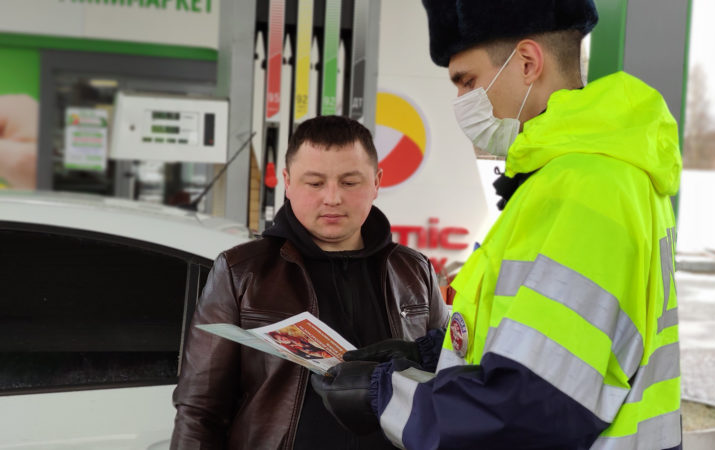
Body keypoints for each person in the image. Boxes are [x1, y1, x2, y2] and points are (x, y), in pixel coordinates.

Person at [311, 1, 683, 449]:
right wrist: (435, 354)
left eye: (467, 82)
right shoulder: (567, 177)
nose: (461, 103)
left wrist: (383, 395)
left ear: (527, 63)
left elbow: (534, 405)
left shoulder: (589, 188)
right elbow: (552, 343)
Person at [170, 115, 449, 449]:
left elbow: (446, 381)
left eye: (349, 182)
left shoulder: (412, 270)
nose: (332, 198)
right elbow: (200, 409)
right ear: (287, 182)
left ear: (376, 182)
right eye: (314, 183)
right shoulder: (242, 272)